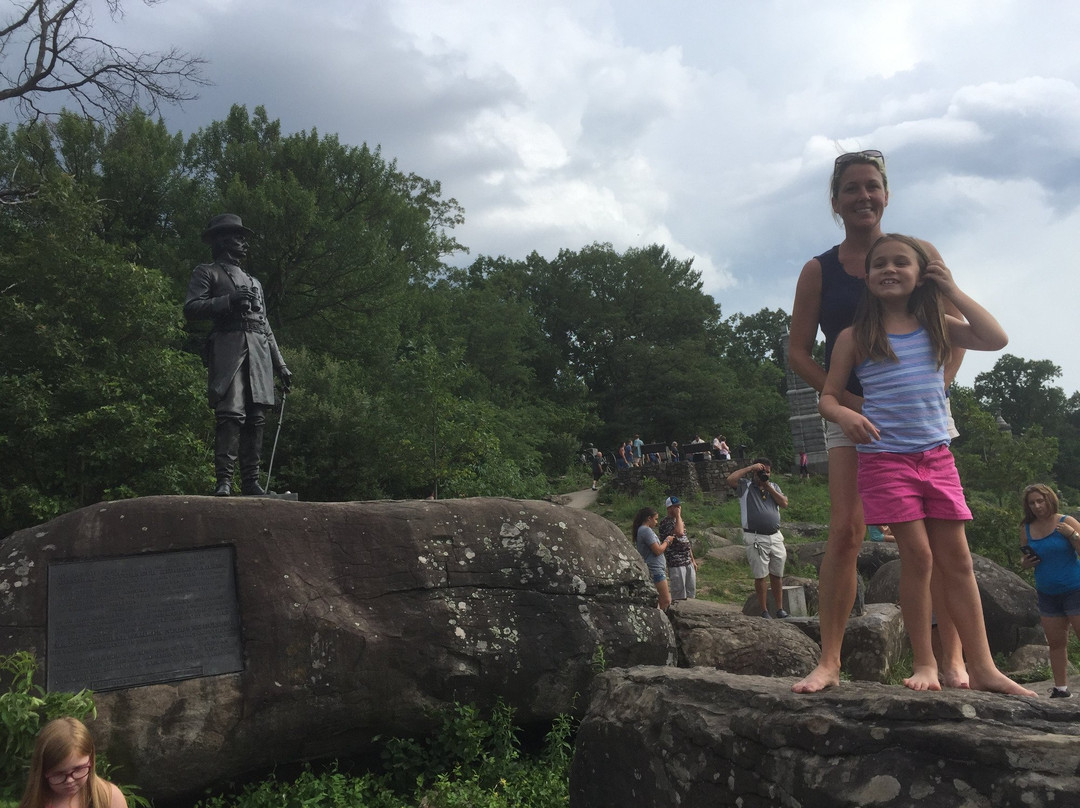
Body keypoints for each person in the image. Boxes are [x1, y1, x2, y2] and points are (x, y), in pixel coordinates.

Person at [819, 232, 1035, 696]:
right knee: (917, 556)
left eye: (902, 263)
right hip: (886, 459)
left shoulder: (936, 323)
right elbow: (828, 397)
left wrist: (951, 290)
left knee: (956, 558)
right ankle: (925, 663)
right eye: (881, 264)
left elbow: (996, 338)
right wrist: (845, 415)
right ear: (867, 276)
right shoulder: (855, 336)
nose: (890, 270)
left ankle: (982, 666)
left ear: (921, 275)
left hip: (936, 455)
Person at [789, 150, 966, 693]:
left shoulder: (918, 255)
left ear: (886, 194)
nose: (863, 197)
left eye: (872, 187)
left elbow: (953, 326)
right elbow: (797, 351)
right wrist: (842, 399)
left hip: (916, 416)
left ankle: (952, 661)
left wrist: (940, 385)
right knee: (846, 531)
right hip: (851, 414)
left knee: (940, 541)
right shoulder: (819, 269)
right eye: (851, 189)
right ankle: (830, 661)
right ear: (836, 200)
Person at [185, 214, 292, 497]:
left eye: (244, 238)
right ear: (221, 241)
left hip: (258, 352)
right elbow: (191, 308)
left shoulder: (255, 282)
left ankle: (251, 482)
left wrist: (280, 364)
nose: (244, 243)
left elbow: (266, 325)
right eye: (237, 237)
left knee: (256, 418)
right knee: (230, 414)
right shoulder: (207, 272)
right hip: (229, 347)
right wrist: (228, 301)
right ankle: (223, 481)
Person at [1019, 483, 1080, 698]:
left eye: (1040, 501)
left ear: (1049, 500)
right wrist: (1026, 562)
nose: (1037, 506)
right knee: (1056, 642)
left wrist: (1072, 534)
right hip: (1047, 592)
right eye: (1032, 503)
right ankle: (1061, 688)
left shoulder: (1065, 522)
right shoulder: (1027, 528)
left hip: (1074, 588)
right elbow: (1026, 558)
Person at [726, 458, 789, 618]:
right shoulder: (746, 486)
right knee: (761, 575)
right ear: (755, 472)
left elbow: (784, 503)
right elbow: (730, 479)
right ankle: (763, 610)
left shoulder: (773, 486)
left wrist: (767, 486)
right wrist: (750, 468)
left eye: (767, 472)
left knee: (777, 574)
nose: (765, 475)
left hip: (775, 536)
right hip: (755, 536)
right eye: (762, 472)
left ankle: (779, 609)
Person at [18, 717, 127, 808]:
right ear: (42, 771)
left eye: (78, 769)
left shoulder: (109, 797)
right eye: (59, 774)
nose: (69, 780)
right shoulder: (35, 803)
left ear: (91, 760)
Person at [633, 506, 672, 610]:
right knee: (665, 600)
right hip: (655, 569)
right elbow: (657, 550)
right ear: (649, 518)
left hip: (656, 568)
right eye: (655, 519)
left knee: (661, 600)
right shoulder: (646, 531)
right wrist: (667, 541)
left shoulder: (643, 530)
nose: (656, 522)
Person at [659, 496, 697, 601]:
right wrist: (678, 516)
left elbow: (686, 540)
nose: (678, 508)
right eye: (675, 506)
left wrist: (693, 560)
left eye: (679, 506)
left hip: (687, 561)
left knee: (691, 590)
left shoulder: (679, 521)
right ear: (669, 508)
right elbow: (679, 533)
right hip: (676, 562)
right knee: (679, 592)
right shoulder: (665, 522)